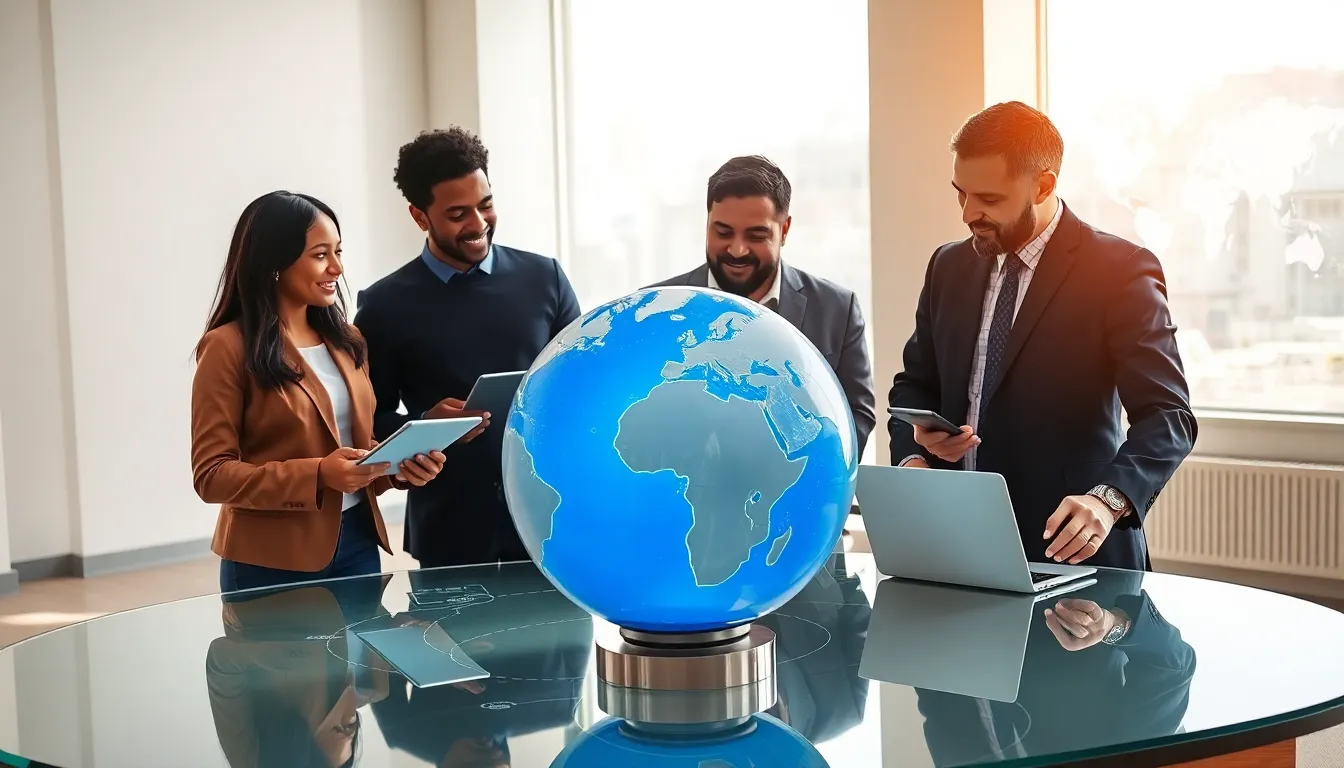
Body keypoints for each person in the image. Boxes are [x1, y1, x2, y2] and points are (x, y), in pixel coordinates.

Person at [887, 101, 1197, 571]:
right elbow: (913, 387)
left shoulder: (1119, 270)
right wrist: (915, 456)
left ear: (1044, 185)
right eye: (961, 194)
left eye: (989, 199)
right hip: (954, 549)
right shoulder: (947, 266)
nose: (969, 214)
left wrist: (1107, 500)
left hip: (1074, 559)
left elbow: (1168, 416)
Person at [192, 191, 446, 593]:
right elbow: (212, 475)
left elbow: (354, 452)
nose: (337, 267)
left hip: (359, 543)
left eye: (339, 252)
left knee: (362, 659)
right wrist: (319, 474)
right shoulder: (227, 347)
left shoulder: (349, 341)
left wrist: (398, 469)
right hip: (271, 558)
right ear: (275, 262)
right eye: (320, 254)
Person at [355, 127, 582, 568]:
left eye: (486, 205)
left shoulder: (545, 279)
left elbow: (585, 382)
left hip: (551, 519)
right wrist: (423, 424)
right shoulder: (384, 306)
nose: (478, 225)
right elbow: (367, 422)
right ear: (420, 217)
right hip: (449, 529)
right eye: (458, 213)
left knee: (560, 640)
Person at [652, 155, 877, 456]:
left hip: (795, 492)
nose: (737, 249)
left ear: (784, 231)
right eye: (723, 232)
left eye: (756, 235)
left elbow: (856, 417)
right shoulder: (657, 308)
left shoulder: (838, 309)